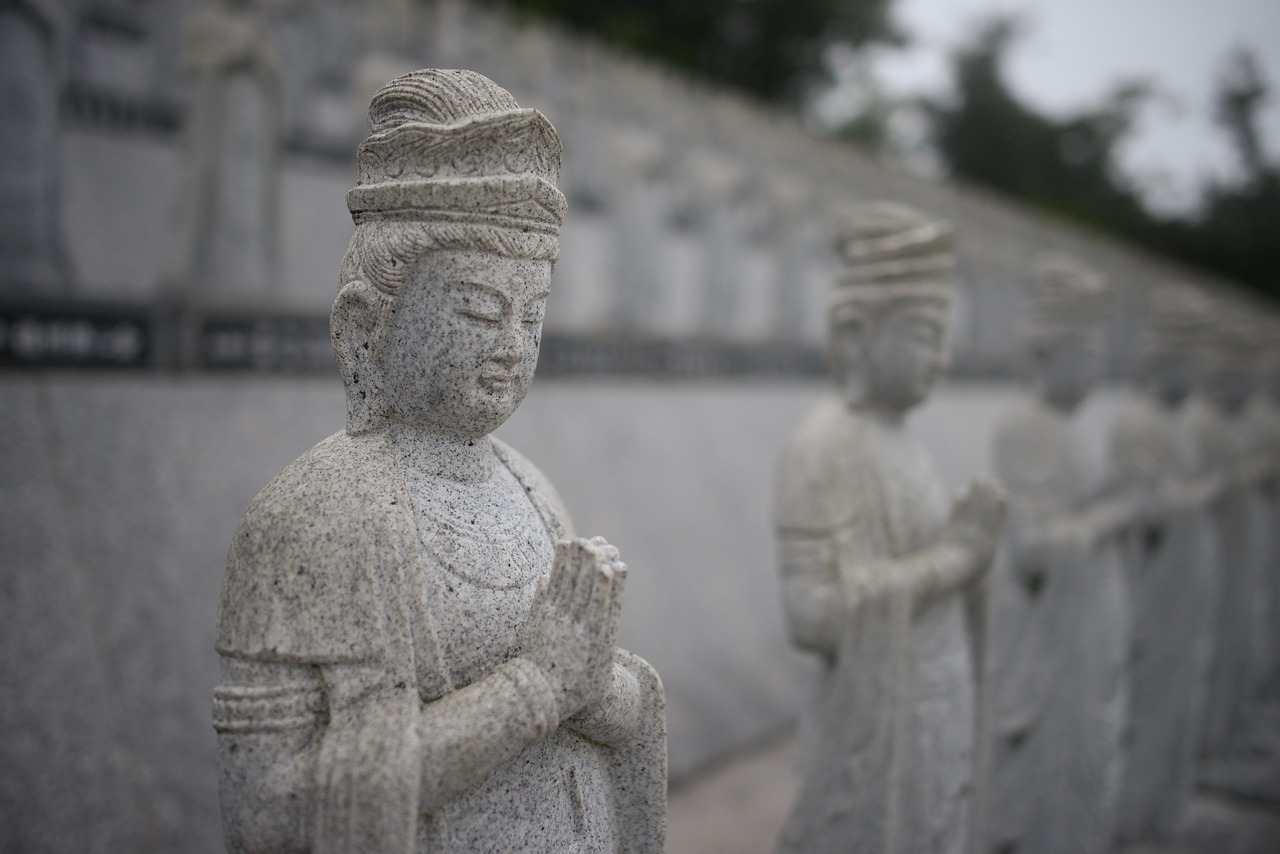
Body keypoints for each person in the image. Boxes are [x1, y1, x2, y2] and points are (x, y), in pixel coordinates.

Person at [212, 69, 665, 854]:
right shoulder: (311, 516)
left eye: (532, 314)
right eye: (479, 309)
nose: (512, 346)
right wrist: (536, 689)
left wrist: (600, 689)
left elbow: (599, 699)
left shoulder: (528, 487)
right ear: (365, 325)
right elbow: (271, 813)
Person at [774, 202, 1006, 854]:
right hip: (875, 736)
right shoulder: (825, 449)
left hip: (934, 712)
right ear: (854, 334)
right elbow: (812, 615)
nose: (945, 357)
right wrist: (955, 558)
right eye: (927, 335)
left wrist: (972, 553)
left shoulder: (904, 443)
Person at [979, 257, 1132, 854]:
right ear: (1046, 354)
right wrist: (1111, 516)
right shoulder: (1023, 426)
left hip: (1085, 627)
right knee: (1042, 774)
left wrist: (1106, 497)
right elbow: (1035, 547)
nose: (1096, 369)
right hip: (1047, 641)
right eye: (1084, 355)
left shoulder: (1070, 431)